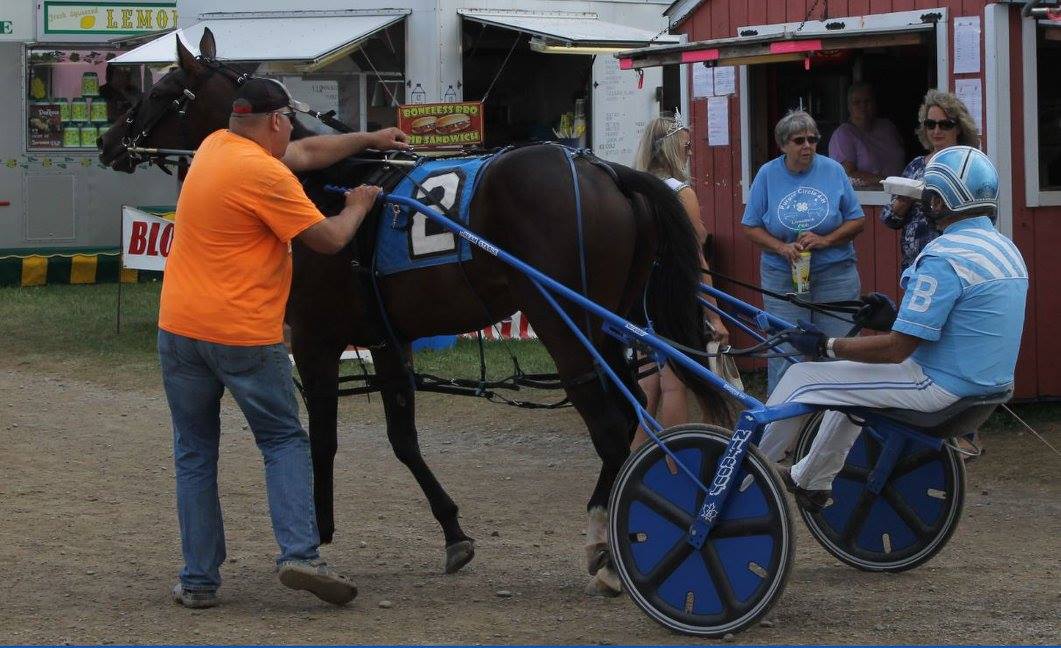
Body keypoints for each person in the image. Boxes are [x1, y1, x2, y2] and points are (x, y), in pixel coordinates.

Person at [159, 77, 409, 609]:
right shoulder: (266, 176)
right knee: (283, 441)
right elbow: (330, 239)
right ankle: (300, 553)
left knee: (195, 454)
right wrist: (360, 204)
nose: (291, 133)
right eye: (288, 122)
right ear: (275, 121)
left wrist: (368, 139)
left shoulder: (214, 147)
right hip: (243, 336)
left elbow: (307, 152)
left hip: (179, 330)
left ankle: (199, 580)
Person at [756, 146, 1027, 509]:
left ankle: (745, 473)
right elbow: (957, 321)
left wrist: (825, 346)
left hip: (940, 386)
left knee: (803, 377)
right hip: (987, 387)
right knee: (846, 387)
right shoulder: (1005, 249)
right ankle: (810, 480)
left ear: (936, 203)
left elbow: (897, 350)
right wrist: (894, 316)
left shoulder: (945, 256)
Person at [742, 110, 865, 395]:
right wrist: (781, 247)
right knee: (787, 353)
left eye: (812, 139)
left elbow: (857, 219)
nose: (807, 146)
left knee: (838, 350)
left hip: (835, 273)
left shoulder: (833, 170)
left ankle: (836, 421)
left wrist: (827, 240)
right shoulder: (768, 174)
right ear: (783, 145)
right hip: (783, 276)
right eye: (799, 141)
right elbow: (750, 226)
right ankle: (784, 423)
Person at [629, 113, 731, 449]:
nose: (689, 154)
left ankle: (632, 463)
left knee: (648, 385)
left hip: (643, 294)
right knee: (675, 383)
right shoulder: (679, 191)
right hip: (674, 293)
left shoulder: (635, 187)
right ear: (673, 148)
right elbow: (697, 258)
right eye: (686, 148)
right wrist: (714, 315)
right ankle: (674, 461)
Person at [881, 89, 982, 271]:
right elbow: (889, 220)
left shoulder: (969, 165)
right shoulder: (915, 166)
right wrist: (902, 204)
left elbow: (982, 216)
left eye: (945, 125)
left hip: (955, 264)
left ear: (958, 128)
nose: (936, 131)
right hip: (914, 266)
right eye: (930, 124)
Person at [828, 82, 906, 188]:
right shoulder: (843, 135)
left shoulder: (888, 127)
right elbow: (847, 176)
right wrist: (887, 182)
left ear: (875, 103)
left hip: (902, 196)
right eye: (857, 102)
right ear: (849, 107)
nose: (863, 106)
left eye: (867, 101)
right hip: (868, 200)